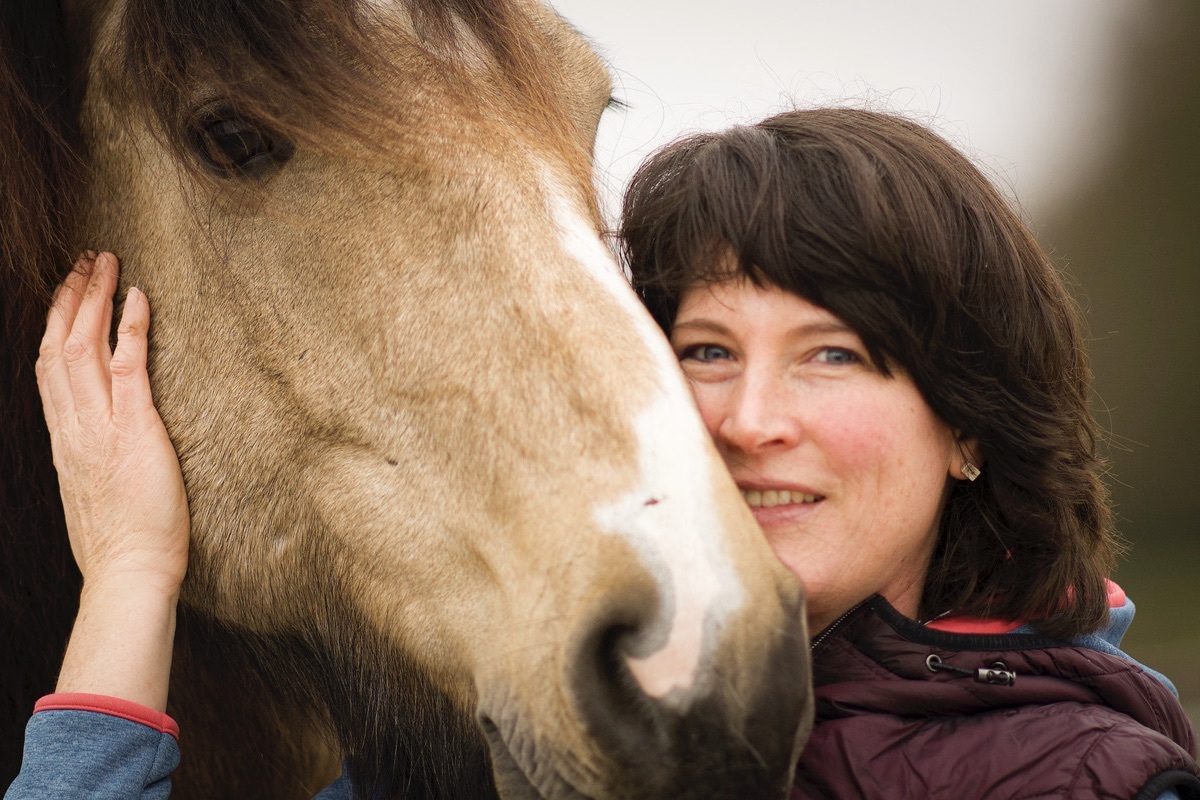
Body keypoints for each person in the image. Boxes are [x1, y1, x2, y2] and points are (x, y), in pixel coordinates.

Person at [8, 108, 1200, 799]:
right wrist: (129, 572)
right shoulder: (512, 745)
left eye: (835, 355)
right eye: (705, 349)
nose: (746, 417)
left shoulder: (1087, 776)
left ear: (974, 427)